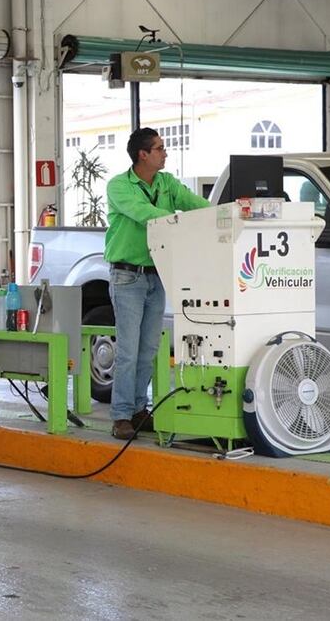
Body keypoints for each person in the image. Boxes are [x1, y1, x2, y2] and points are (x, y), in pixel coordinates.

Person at [104, 127, 210, 440]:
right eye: (160, 148)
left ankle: (139, 409)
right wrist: (176, 220)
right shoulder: (119, 186)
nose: (165, 153)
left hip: (157, 274)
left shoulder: (167, 183)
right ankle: (121, 415)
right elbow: (144, 214)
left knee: (148, 349)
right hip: (127, 276)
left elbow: (192, 202)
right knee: (127, 350)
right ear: (143, 155)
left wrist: (227, 211)